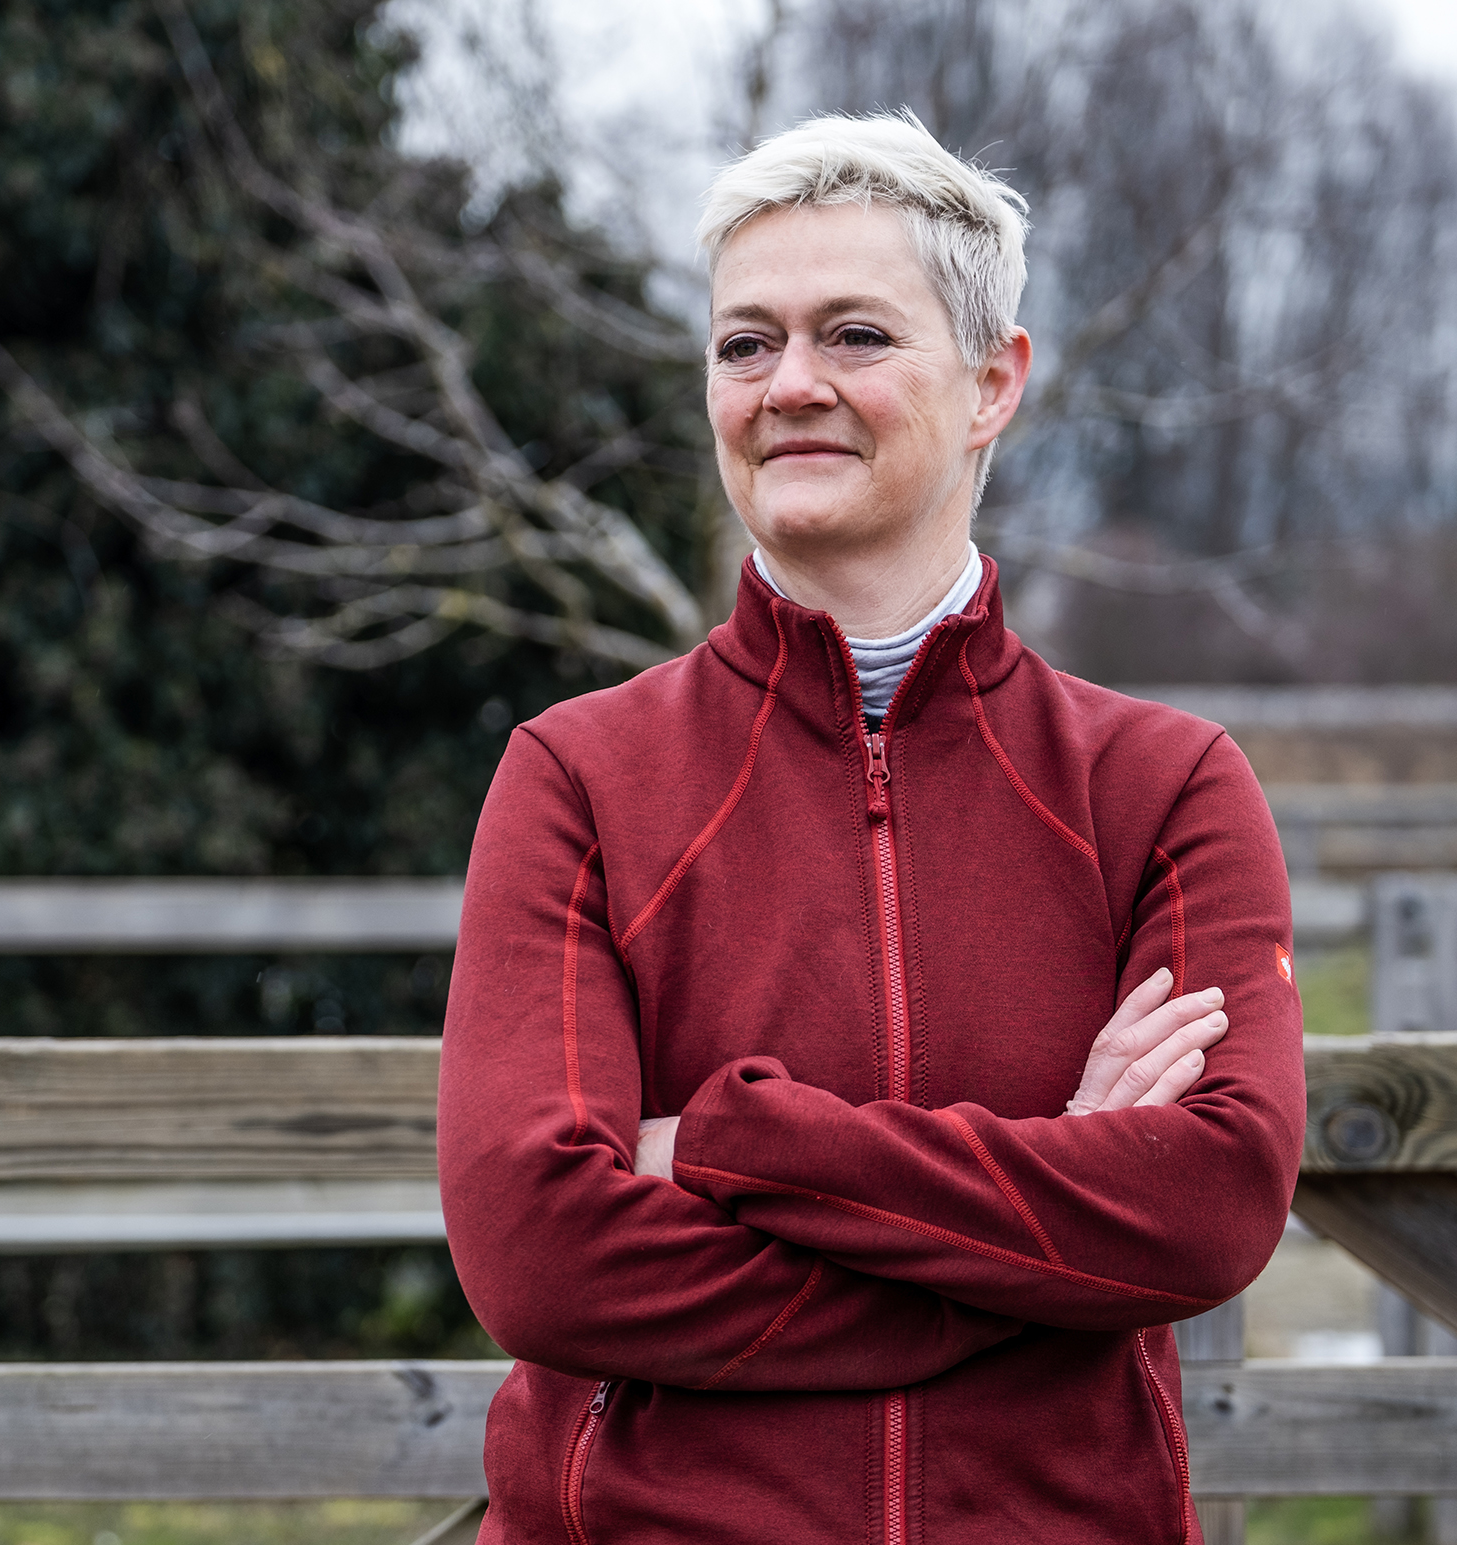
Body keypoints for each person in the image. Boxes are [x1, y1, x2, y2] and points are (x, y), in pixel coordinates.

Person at [438, 110, 1304, 1545]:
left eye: (854, 336)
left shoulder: (1166, 786)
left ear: (991, 382)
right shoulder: (576, 775)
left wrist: (735, 1139)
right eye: (745, 343)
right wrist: (1044, 1228)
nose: (789, 385)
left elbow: (1207, 1206)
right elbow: (539, 1256)